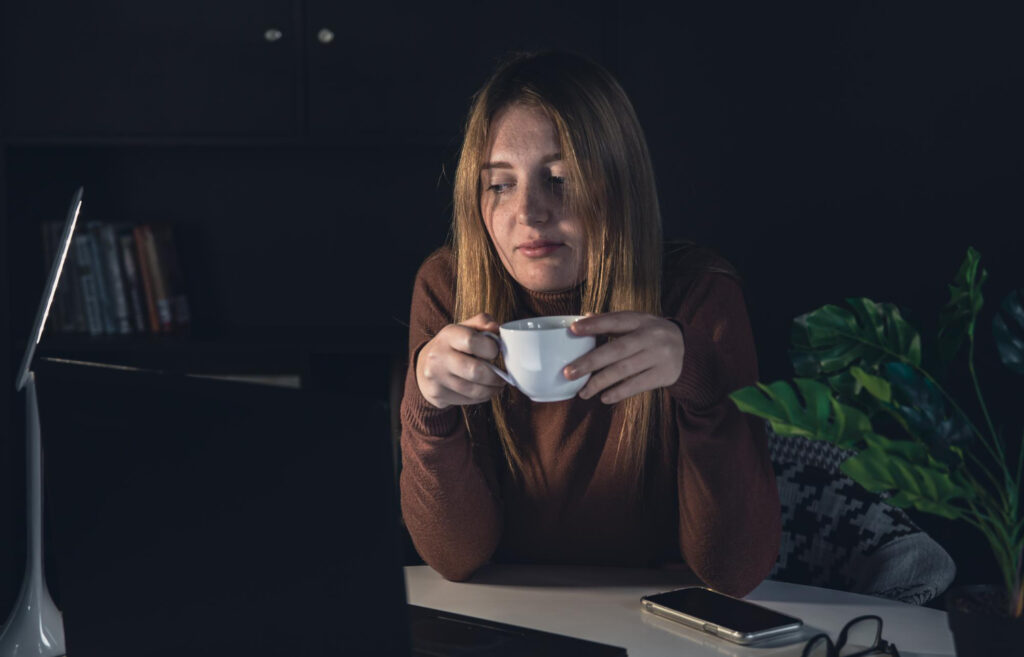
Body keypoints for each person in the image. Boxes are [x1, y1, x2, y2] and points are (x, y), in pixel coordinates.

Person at [399, 50, 780, 597]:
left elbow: (734, 570)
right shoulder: (450, 288)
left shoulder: (698, 293)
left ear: (619, 184)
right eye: (500, 184)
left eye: (560, 178)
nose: (529, 213)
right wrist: (429, 408)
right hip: (512, 613)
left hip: (659, 620)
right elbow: (455, 558)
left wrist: (698, 383)